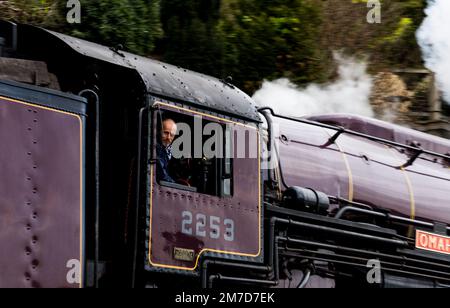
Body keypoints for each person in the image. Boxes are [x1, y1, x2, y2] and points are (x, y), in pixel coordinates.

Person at [156, 118, 177, 183]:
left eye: (172, 135)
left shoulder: (171, 152)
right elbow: (162, 175)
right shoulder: (156, 149)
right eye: (166, 133)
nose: (168, 137)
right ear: (159, 131)